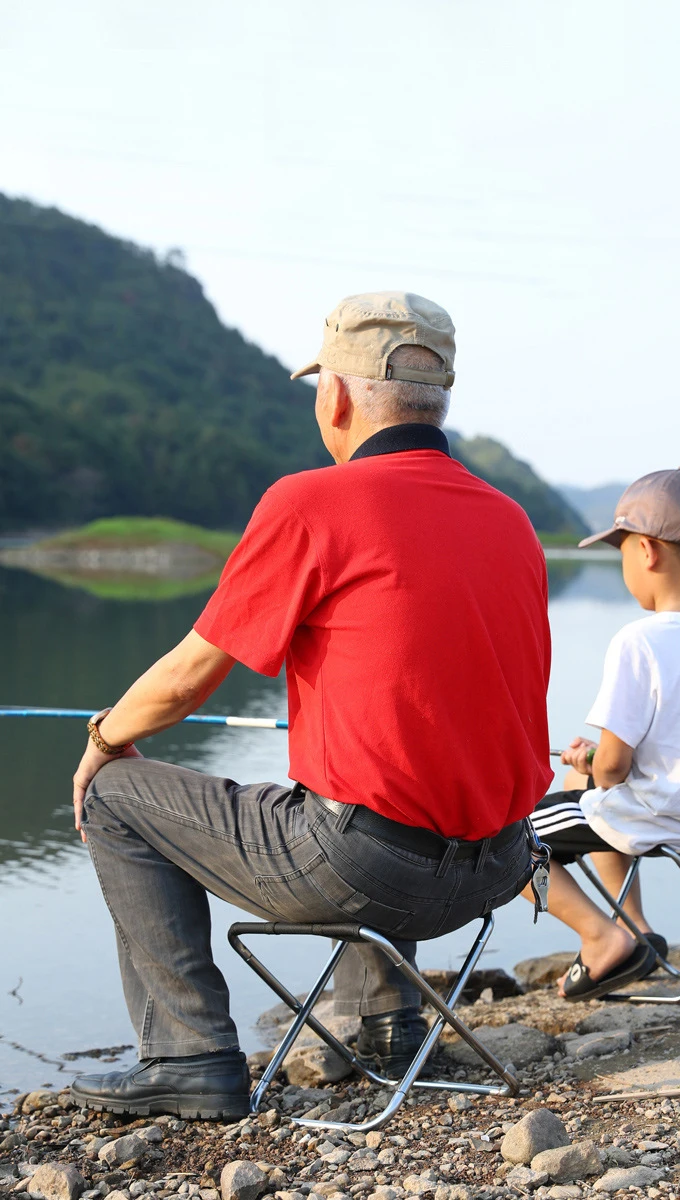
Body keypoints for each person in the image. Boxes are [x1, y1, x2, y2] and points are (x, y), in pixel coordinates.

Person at [69, 291, 553, 1119]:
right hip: (499, 865)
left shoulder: (312, 502)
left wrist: (103, 736)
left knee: (116, 795)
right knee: (370, 782)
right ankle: (389, 1025)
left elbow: (189, 678)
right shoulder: (511, 520)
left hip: (371, 874)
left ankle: (188, 1058)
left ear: (333, 395)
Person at [524, 467, 680, 1001]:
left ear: (647, 552)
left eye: (621, 551)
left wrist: (590, 761)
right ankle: (637, 931)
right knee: (591, 796)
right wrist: (594, 769)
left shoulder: (640, 640)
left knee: (501, 836)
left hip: (660, 818)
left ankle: (600, 939)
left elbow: (614, 768)